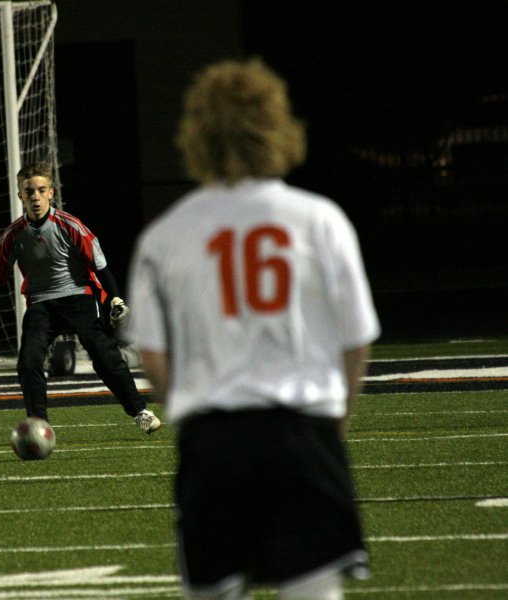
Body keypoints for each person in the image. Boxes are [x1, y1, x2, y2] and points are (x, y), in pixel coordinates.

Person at [125, 59, 380, 599]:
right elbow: (356, 340)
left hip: (214, 442)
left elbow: (152, 352)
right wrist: (333, 424)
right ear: (277, 123)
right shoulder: (320, 220)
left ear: (198, 132)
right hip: (303, 434)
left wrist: (188, 417)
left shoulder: (165, 234)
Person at [0, 162, 161, 434]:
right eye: (28, 191)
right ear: (20, 195)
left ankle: (140, 411)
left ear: (51, 193)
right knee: (29, 360)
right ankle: (38, 424)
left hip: (79, 296)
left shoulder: (70, 226)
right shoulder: (12, 235)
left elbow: (100, 267)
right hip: (41, 303)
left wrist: (115, 299)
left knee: (103, 353)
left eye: (41, 190)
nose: (35, 196)